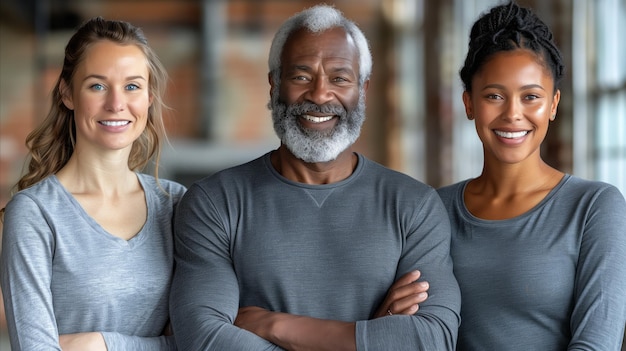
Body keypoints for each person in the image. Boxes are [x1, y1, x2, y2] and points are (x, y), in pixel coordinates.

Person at [170, 4, 461, 351]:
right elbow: (204, 339)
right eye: (301, 76)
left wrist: (274, 324)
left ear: (363, 90)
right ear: (274, 85)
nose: (320, 95)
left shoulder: (414, 206)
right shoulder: (214, 203)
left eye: (339, 78)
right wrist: (368, 335)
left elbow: (431, 339)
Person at [437, 2, 626, 350]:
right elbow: (416, 331)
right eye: (494, 96)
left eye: (531, 97)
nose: (513, 114)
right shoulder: (432, 210)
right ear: (469, 103)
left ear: (553, 105)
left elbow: (597, 343)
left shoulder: (594, 207)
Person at [0, 17, 186, 350]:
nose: (116, 103)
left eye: (132, 86)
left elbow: (205, 339)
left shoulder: (177, 204)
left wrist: (100, 344)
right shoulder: (35, 213)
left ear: (149, 97)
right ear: (67, 94)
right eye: (97, 85)